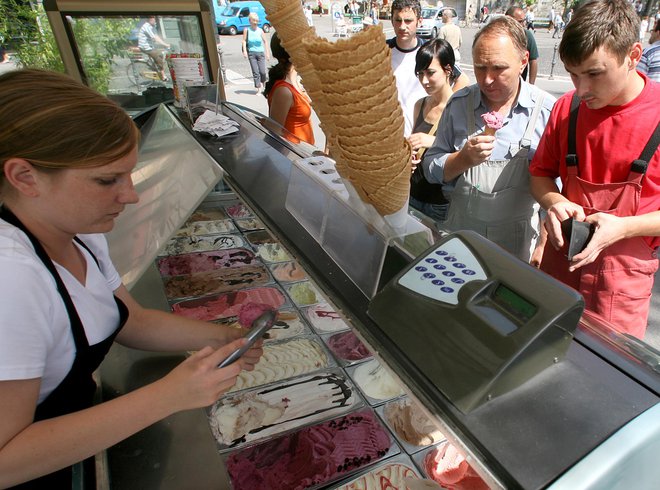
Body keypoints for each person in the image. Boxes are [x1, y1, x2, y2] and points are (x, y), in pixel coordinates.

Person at [0, 69, 264, 488]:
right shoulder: (11, 277)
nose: (131, 194)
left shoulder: (77, 230)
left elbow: (130, 319)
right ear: (24, 177)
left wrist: (220, 337)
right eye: (107, 180)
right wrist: (170, 395)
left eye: (129, 174)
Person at [529, 0, 660, 339]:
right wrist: (553, 201)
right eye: (573, 74)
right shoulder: (566, 109)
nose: (581, 89)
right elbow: (539, 175)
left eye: (594, 73)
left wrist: (625, 227)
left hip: (620, 286)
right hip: (559, 271)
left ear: (633, 55)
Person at [423, 16, 556, 263]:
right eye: (480, 68)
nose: (487, 79)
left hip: (517, 244)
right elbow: (430, 168)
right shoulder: (459, 104)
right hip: (461, 237)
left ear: (523, 61)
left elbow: (557, 188)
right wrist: (461, 159)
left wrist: (544, 244)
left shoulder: (546, 112)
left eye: (498, 68)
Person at [408, 38, 465, 223]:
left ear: (448, 70)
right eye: (420, 73)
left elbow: (466, 154)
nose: (424, 80)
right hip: (412, 195)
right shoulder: (420, 104)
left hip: (440, 202)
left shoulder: (459, 107)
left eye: (430, 73)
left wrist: (431, 141)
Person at [264, 33, 315, 145]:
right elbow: (274, 133)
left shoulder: (296, 81)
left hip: (305, 156)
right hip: (294, 157)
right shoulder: (284, 91)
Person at [387, 0, 428, 137]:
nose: (402, 26)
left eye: (408, 21)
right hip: (388, 137)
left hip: (420, 138)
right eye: (398, 20)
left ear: (419, 21)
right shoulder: (381, 51)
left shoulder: (430, 51)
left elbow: (460, 80)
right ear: (392, 21)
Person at [506, 6, 539, 84]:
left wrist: (531, 85)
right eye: (520, 21)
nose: (523, 24)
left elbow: (533, 60)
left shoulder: (527, 35)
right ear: (508, 19)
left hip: (519, 83)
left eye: (523, 21)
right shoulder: (498, 34)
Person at [242, 12, 271, 92]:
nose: (255, 23)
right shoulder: (247, 30)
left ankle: (263, 83)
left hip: (260, 53)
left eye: (256, 21)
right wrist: (245, 51)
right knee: (255, 72)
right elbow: (244, 41)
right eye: (253, 21)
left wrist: (267, 53)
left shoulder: (260, 30)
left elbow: (265, 41)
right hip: (252, 53)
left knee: (262, 71)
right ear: (250, 21)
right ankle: (258, 88)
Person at [137, 16, 170, 81]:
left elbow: (156, 35)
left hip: (149, 45)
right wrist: (165, 44)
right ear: (150, 19)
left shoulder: (152, 26)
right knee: (159, 56)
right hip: (145, 47)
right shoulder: (147, 27)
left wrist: (164, 43)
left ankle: (156, 67)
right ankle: (163, 76)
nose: (156, 20)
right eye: (155, 19)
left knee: (160, 53)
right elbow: (155, 37)